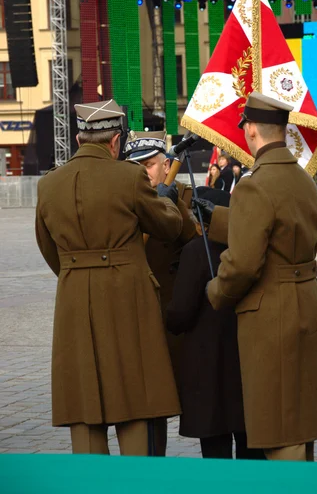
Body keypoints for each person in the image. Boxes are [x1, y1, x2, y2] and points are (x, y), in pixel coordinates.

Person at [35, 100, 182, 456]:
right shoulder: (130, 177)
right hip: (127, 301)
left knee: (85, 412)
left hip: (73, 304)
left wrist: (78, 275)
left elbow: (47, 246)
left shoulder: (49, 185)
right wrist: (166, 200)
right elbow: (169, 227)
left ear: (77, 138)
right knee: (134, 405)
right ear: (115, 142)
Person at [205, 91, 317, 462]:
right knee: (301, 420)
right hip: (307, 301)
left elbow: (244, 263)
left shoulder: (253, 184)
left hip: (272, 313)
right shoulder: (302, 179)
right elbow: (282, 228)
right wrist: (218, 219)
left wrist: (216, 291)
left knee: (280, 427)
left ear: (251, 130)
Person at [166, 187, 264, 460]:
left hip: (207, 363)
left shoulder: (196, 252)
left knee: (215, 451)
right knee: (251, 446)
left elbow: (181, 311)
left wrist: (168, 320)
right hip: (245, 358)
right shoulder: (248, 249)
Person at [124, 131, 197, 455]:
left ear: (166, 164)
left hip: (172, 315)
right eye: (136, 165)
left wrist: (169, 205)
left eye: (150, 165)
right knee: (141, 402)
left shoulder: (183, 195)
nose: (144, 172)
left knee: (173, 398)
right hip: (134, 312)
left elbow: (193, 241)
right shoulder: (124, 197)